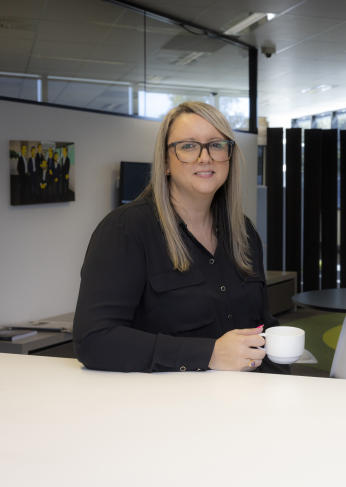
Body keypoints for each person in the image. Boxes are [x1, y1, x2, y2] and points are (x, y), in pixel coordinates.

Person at [74, 102, 289, 375]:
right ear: (165, 162)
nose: (205, 157)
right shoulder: (126, 229)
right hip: (172, 409)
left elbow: (262, 327)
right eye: (188, 146)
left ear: (230, 156)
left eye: (216, 145)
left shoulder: (243, 232)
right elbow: (94, 341)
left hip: (247, 404)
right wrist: (209, 354)